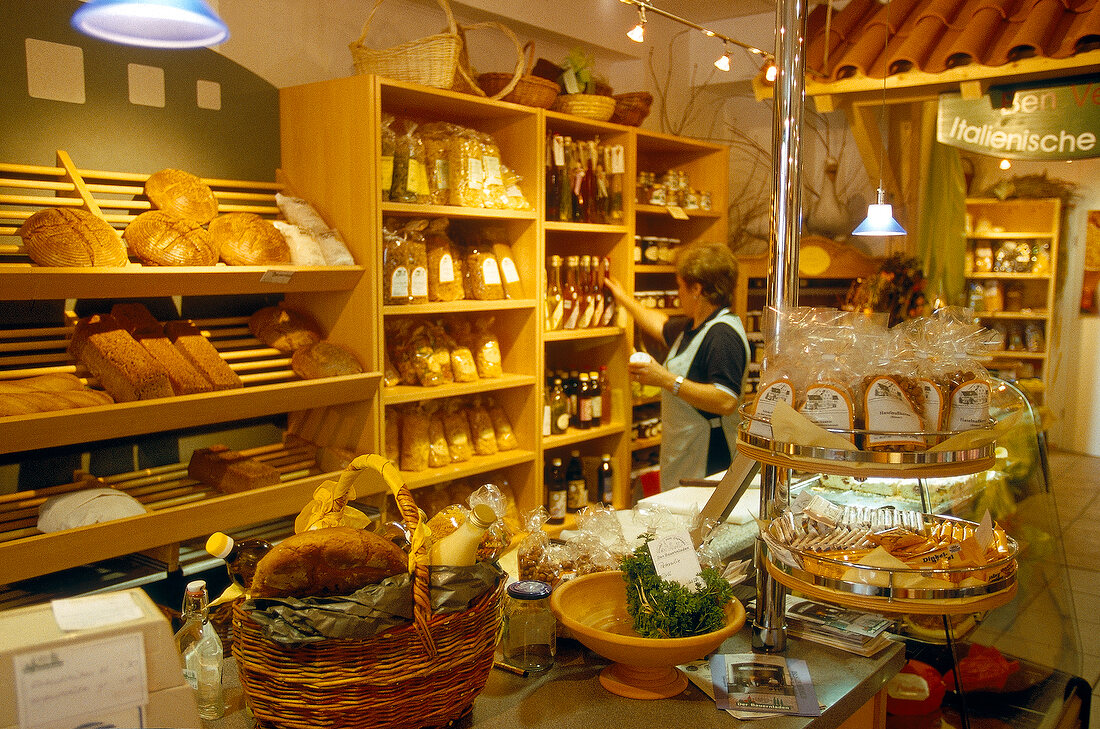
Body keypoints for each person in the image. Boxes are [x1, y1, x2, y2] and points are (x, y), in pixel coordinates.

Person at [606, 241, 749, 489]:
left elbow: (726, 400)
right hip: (685, 454)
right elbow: (659, 324)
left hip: (710, 459)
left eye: (680, 287)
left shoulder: (723, 336)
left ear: (697, 289)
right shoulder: (693, 327)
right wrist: (623, 300)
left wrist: (664, 378)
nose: (678, 293)